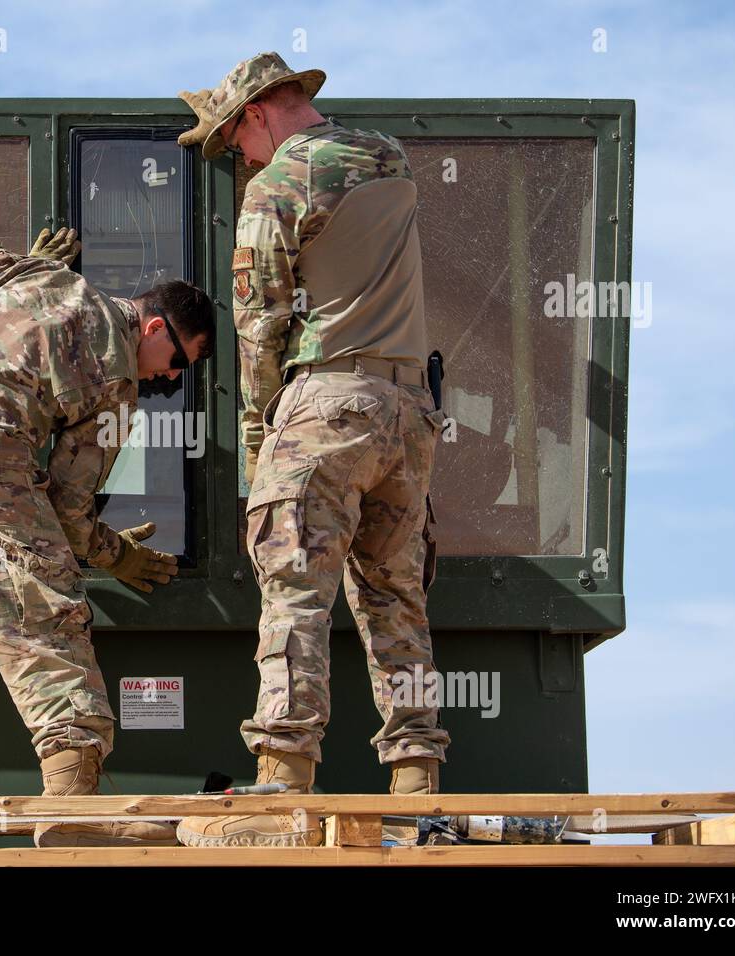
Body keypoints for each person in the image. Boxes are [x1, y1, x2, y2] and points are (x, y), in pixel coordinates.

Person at [0, 229, 214, 847]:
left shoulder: (40, 279)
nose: (169, 380)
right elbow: (71, 513)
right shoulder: (116, 382)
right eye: (180, 363)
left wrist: (21, 271)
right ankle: (69, 815)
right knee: (46, 625)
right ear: (155, 328)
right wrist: (119, 555)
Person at [174, 53, 450, 847]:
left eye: (235, 141)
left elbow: (257, 321)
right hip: (409, 410)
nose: (241, 159)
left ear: (259, 111)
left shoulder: (278, 187)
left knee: (295, 588)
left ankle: (284, 773)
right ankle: (415, 777)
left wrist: (261, 432)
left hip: (326, 401)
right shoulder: (389, 156)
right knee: (395, 594)